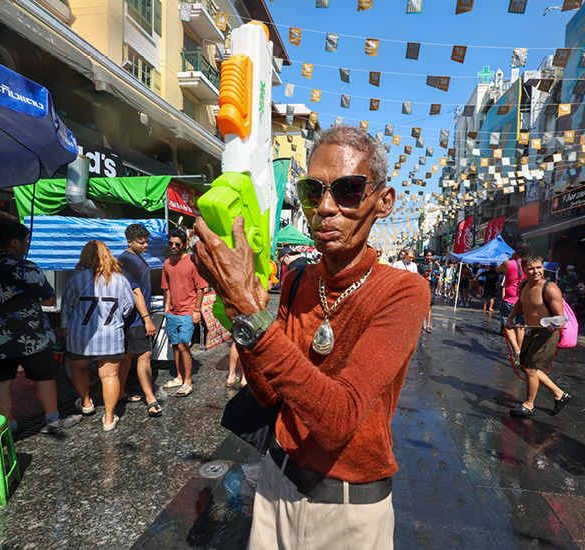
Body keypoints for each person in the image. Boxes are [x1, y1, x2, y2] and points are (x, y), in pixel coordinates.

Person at [191, 124, 429, 549]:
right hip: (275, 484)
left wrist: (251, 312)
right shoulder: (299, 277)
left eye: (349, 190)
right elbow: (267, 395)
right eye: (312, 191)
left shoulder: (404, 290)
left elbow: (338, 420)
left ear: (384, 201)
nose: (326, 207)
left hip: (349, 511)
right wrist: (238, 311)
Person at [0, 221, 82, 434]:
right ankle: (52, 420)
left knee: (0, 382)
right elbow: (49, 300)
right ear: (15, 242)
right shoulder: (27, 267)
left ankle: (8, 426)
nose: (27, 245)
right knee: (44, 377)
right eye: (26, 241)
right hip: (32, 337)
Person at [62, 241, 134, 431]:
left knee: (78, 369)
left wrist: (64, 327)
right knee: (110, 375)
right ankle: (109, 419)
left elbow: (66, 308)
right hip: (111, 335)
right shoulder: (120, 280)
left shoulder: (75, 279)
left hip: (80, 336)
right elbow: (128, 308)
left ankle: (86, 403)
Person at [505, 255, 571, 417]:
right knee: (524, 366)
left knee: (531, 368)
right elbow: (520, 303)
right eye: (531, 268)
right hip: (531, 330)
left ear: (543, 267)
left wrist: (553, 325)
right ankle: (560, 394)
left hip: (546, 333)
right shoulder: (524, 285)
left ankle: (529, 405)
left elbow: (561, 319)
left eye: (539, 268)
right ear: (524, 270)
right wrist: (510, 318)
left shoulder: (550, 288)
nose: (535, 272)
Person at [117, 223, 161, 417]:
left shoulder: (136, 258)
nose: (145, 245)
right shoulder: (128, 260)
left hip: (134, 318)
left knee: (128, 357)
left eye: (146, 242)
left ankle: (119, 392)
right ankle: (150, 399)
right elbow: (136, 293)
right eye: (140, 242)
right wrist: (147, 319)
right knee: (144, 355)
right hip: (135, 318)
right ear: (129, 242)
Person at [161, 228, 207, 397]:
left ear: (184, 245)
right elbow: (167, 288)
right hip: (172, 311)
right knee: (175, 345)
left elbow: (200, 288)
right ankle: (179, 377)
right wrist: (167, 307)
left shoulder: (192, 262)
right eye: (171, 243)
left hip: (188, 311)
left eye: (177, 244)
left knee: (183, 345)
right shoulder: (167, 264)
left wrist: (197, 310)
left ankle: (188, 381)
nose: (173, 246)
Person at [497, 242, 531, 364]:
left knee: (508, 325)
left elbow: (497, 270)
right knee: (520, 326)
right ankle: (520, 351)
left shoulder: (508, 263)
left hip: (509, 299)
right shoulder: (530, 265)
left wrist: (512, 258)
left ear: (516, 251)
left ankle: (516, 351)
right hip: (524, 300)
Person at [417, 250, 442, 333]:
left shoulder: (435, 265)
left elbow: (438, 277)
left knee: (429, 306)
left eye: (430, 256)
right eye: (427, 255)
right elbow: (417, 277)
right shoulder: (421, 265)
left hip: (431, 287)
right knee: (421, 306)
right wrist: (424, 274)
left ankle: (428, 325)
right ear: (425, 256)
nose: (429, 257)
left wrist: (437, 277)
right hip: (422, 287)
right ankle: (420, 324)